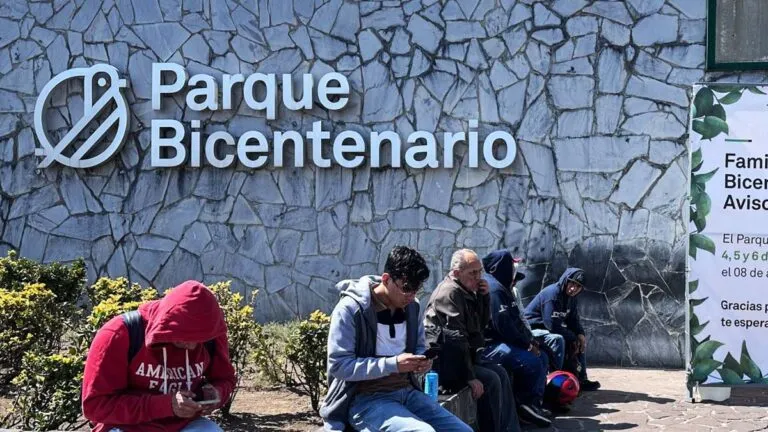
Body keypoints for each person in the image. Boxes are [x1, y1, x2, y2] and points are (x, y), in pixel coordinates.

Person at [320, 245, 472, 432]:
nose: (411, 296)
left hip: (408, 393)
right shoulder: (351, 310)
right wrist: (393, 364)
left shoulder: (412, 307)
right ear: (386, 279)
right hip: (365, 400)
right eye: (406, 288)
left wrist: (422, 361)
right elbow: (339, 366)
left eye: (416, 289)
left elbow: (419, 346)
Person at [82, 280, 236, 432]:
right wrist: (165, 405)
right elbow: (95, 406)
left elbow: (225, 379)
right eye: (185, 338)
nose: (192, 346)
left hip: (185, 425)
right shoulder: (119, 334)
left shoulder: (211, 334)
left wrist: (217, 393)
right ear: (168, 323)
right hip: (127, 426)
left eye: (199, 340)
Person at [424, 249, 520, 432]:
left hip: (464, 357)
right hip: (448, 363)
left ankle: (509, 428)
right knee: (491, 380)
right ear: (456, 273)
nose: (478, 277)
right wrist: (470, 377)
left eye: (479, 272)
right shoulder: (449, 293)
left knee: (501, 372)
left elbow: (480, 326)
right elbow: (456, 339)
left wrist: (484, 298)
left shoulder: (466, 290)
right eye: (472, 273)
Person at [479, 250, 552, 427]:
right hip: (491, 345)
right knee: (531, 361)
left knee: (542, 356)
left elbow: (517, 320)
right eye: (511, 265)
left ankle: (533, 405)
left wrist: (531, 340)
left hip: (506, 341)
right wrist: (526, 345)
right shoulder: (495, 290)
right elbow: (504, 326)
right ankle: (524, 406)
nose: (514, 269)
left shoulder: (504, 288)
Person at [524, 268, 601, 391]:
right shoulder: (553, 294)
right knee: (558, 339)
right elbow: (551, 326)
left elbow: (573, 320)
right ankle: (555, 381)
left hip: (548, 328)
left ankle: (581, 379)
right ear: (566, 281)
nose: (573, 288)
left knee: (580, 340)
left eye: (578, 286)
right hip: (533, 330)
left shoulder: (572, 298)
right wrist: (572, 337)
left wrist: (580, 334)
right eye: (572, 283)